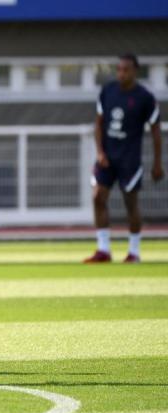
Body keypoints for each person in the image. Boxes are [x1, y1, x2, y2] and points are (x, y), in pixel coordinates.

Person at [85, 53, 164, 263]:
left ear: (135, 71)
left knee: (130, 203)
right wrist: (100, 152)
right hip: (107, 157)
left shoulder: (144, 97)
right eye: (118, 69)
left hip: (129, 158)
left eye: (126, 69)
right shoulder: (108, 91)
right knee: (97, 197)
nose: (121, 73)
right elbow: (99, 124)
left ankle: (134, 251)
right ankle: (103, 249)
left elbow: (156, 131)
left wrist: (158, 163)